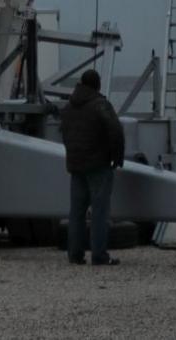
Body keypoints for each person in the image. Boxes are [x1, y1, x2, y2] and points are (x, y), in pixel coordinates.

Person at [58, 68, 125, 266]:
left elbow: (65, 134)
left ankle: (75, 255)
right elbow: (116, 132)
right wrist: (117, 158)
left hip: (76, 166)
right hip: (98, 165)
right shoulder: (100, 105)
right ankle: (99, 255)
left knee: (76, 213)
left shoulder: (68, 108)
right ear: (97, 85)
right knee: (100, 211)